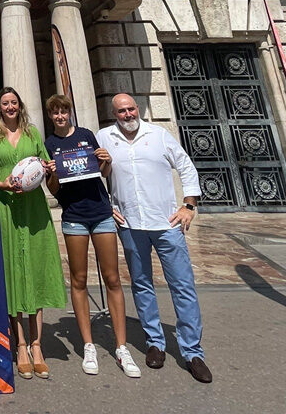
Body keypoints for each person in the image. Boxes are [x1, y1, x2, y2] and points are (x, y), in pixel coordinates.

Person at [98, 93, 212, 384]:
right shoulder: (104, 137)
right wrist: (108, 207)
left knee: (182, 286)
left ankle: (192, 352)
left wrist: (188, 205)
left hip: (166, 224)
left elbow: (186, 166)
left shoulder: (159, 135)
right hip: (131, 224)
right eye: (121, 111)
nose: (127, 114)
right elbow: (96, 177)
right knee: (141, 285)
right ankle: (155, 343)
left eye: (131, 108)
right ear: (114, 114)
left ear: (138, 109)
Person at [0, 87, 66, 380]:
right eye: (4, 104)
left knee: (36, 270)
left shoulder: (33, 133)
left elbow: (46, 167)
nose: (10, 107)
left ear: (19, 106)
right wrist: (1, 185)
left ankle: (38, 345)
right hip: (5, 208)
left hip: (35, 208)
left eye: (13, 103)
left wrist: (50, 170)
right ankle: (20, 345)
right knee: (12, 272)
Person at [42, 94, 139, 378]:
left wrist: (107, 160)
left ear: (70, 113)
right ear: (51, 117)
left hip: (100, 212)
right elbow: (55, 189)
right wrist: (52, 172)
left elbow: (103, 172)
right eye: (55, 113)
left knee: (112, 278)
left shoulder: (86, 135)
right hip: (74, 216)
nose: (60, 116)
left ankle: (121, 347)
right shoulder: (49, 144)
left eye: (63, 111)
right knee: (79, 279)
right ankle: (88, 345)